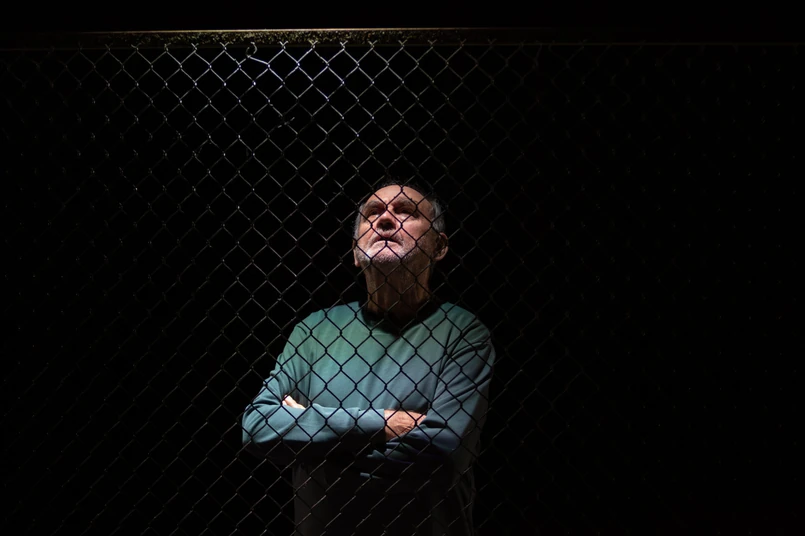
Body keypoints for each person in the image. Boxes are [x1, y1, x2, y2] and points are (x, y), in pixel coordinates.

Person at [241, 177, 496, 536]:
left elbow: (440, 459)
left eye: (406, 212)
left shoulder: (462, 331)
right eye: (372, 213)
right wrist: (383, 423)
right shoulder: (315, 330)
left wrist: (310, 441)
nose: (385, 219)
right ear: (354, 251)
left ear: (439, 246)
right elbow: (257, 427)